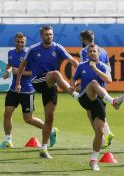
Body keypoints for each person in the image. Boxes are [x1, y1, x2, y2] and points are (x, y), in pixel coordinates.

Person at [15, 25, 79, 159]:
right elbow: (22, 65)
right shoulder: (33, 49)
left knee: (50, 118)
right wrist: (18, 83)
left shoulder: (57, 47)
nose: (49, 36)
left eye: (50, 34)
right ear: (41, 36)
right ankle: (75, 95)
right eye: (46, 34)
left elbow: (72, 60)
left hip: (51, 85)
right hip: (37, 81)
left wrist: (82, 72)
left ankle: (43, 149)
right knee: (55, 73)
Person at [70, 44, 124, 171]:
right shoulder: (81, 65)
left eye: (94, 51)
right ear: (87, 53)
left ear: (98, 53)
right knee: (94, 83)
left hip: (98, 102)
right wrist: (72, 86)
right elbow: (73, 80)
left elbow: (109, 80)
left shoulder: (103, 66)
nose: (92, 53)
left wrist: (96, 70)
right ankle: (113, 102)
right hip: (85, 97)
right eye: (90, 51)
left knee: (99, 133)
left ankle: (93, 160)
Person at [0, 32, 57, 149]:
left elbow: (33, 72)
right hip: (13, 89)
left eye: (22, 42)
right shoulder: (11, 52)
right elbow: (10, 65)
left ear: (25, 43)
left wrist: (19, 72)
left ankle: (51, 130)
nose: (20, 44)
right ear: (14, 41)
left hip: (27, 90)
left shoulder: (29, 54)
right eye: (18, 42)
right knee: (7, 113)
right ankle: (7, 140)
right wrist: (8, 71)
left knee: (28, 119)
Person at [80, 30, 113, 149]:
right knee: (100, 108)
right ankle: (107, 132)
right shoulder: (103, 50)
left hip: (90, 85)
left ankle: (102, 136)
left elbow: (85, 66)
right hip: (102, 85)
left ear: (83, 39)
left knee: (90, 110)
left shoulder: (85, 51)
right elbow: (109, 68)